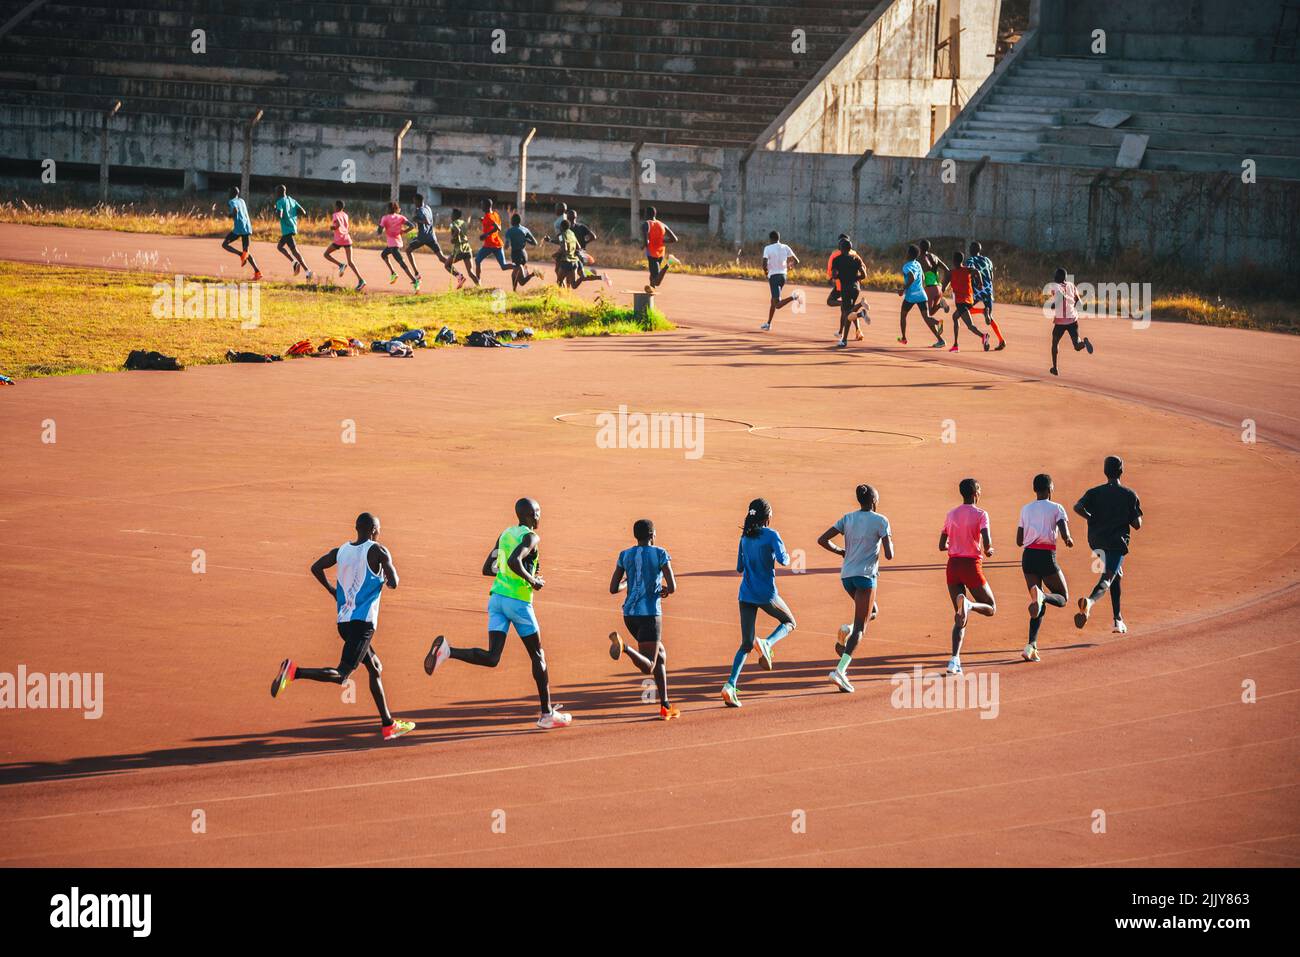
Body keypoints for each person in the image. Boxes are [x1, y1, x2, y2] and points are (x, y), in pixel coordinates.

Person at [423, 498, 572, 729]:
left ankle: (448, 651)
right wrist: (532, 580)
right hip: (518, 602)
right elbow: (514, 561)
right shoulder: (531, 537)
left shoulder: (504, 534)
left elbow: (488, 568)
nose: (540, 516)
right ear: (531, 515)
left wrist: (513, 574)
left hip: (497, 600)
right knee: (538, 655)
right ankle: (546, 714)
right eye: (538, 512)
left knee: (493, 657)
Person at [270, 513, 414, 741]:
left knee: (375, 667)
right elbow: (394, 582)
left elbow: (316, 567)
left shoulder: (341, 551)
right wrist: (386, 577)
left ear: (357, 528)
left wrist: (332, 590)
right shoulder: (378, 550)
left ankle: (388, 725)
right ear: (375, 530)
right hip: (363, 624)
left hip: (344, 623)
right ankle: (294, 672)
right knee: (341, 675)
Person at [816, 484, 894, 693]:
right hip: (866, 577)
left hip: (847, 576)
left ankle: (847, 630)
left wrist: (842, 551)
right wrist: (886, 539)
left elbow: (823, 540)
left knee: (872, 612)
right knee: (862, 626)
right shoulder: (881, 520)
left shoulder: (848, 518)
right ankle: (840, 671)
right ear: (874, 501)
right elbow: (889, 555)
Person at [721, 498, 796, 708]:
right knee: (790, 622)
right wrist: (785, 555)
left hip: (745, 594)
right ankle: (768, 643)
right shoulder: (772, 535)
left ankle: (730, 685)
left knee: (746, 643)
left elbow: (739, 567)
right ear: (768, 516)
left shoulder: (744, 537)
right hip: (767, 594)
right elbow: (784, 560)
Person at [607, 519, 680, 720]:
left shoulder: (625, 555)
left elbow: (613, 588)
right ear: (652, 535)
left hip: (629, 615)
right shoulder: (660, 553)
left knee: (660, 656)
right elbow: (672, 586)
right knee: (649, 664)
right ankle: (624, 648)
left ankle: (665, 705)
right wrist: (665, 590)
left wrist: (628, 581)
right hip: (650, 615)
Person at [1073, 456, 1143, 634]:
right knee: (1107, 578)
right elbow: (1137, 524)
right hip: (1116, 543)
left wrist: (1092, 518)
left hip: (1096, 541)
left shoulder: (1094, 492)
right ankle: (1089, 602)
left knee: (1116, 574)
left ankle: (1117, 619)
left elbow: (1077, 507)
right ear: (1122, 471)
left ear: (1105, 472)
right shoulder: (1129, 495)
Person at [939, 478, 997, 675]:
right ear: (975, 494)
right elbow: (986, 541)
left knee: (959, 616)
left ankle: (954, 661)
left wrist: (953, 544)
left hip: (952, 566)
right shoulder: (981, 514)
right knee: (990, 608)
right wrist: (989, 550)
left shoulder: (951, 514)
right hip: (971, 566)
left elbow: (942, 545)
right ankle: (971, 605)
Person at [1017, 473, 1074, 661]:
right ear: (1051, 490)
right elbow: (1064, 529)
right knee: (1063, 597)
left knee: (1037, 604)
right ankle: (1044, 596)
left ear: (1034, 490)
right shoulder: (1057, 508)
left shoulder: (1025, 509)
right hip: (1046, 556)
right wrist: (1067, 539)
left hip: (1028, 557)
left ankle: (1030, 645)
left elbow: (1019, 540)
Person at [408, 194, 464, 288]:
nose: (414, 203)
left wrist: (417, 219)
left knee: (408, 250)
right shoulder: (428, 208)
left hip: (422, 237)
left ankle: (417, 275)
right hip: (431, 237)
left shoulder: (420, 210)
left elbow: (427, 221)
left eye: (414, 201)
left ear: (417, 201)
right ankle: (459, 275)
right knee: (441, 258)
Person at [1047, 267, 1094, 375]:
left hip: (1061, 322)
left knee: (1055, 342)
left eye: (1055, 275)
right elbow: (1078, 301)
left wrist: (1054, 305)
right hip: (1073, 320)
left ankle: (1055, 368)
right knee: (1077, 346)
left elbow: (1061, 297)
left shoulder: (1055, 287)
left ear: (1058, 277)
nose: (1054, 276)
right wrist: (1071, 308)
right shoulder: (1071, 285)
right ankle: (1084, 344)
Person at [943, 246, 988, 352]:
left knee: (970, 326)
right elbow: (977, 271)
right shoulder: (967, 270)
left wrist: (943, 288)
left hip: (961, 302)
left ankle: (983, 336)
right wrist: (980, 283)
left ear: (953, 261)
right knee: (955, 317)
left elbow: (944, 284)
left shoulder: (951, 272)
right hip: (969, 300)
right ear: (961, 260)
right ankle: (955, 344)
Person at [899, 244, 944, 348]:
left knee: (903, 316)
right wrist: (919, 287)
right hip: (921, 295)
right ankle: (939, 331)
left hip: (911, 296)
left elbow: (912, 277)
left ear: (909, 254)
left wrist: (903, 289)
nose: (905, 253)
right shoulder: (918, 264)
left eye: (907, 252)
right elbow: (923, 277)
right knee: (927, 317)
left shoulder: (906, 266)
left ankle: (904, 338)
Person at [830, 237, 870, 348]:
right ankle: (860, 310)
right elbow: (864, 275)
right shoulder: (856, 259)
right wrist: (854, 278)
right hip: (856, 288)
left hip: (845, 289)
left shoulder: (837, 259)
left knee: (848, 314)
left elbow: (833, 275)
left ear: (841, 248)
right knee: (848, 311)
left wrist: (838, 276)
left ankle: (844, 340)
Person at [966, 241, 1005, 349]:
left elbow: (969, 273)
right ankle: (1001, 340)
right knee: (990, 317)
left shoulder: (970, 260)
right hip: (988, 289)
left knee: (965, 310)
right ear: (979, 250)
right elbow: (991, 276)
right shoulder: (988, 260)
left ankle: (982, 311)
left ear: (971, 250)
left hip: (977, 289)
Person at [760, 230, 801, 330]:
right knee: (773, 301)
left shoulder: (768, 248)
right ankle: (768, 323)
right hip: (783, 276)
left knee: (777, 304)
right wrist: (790, 266)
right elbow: (796, 261)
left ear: (770, 239)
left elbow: (764, 264)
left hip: (773, 277)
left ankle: (793, 297)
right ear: (778, 238)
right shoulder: (785, 247)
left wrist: (766, 273)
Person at [220, 186, 262, 280]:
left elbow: (235, 210)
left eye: (229, 192)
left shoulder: (231, 201)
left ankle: (240, 254)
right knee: (246, 252)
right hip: (247, 227)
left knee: (225, 245)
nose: (228, 194)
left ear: (231, 194)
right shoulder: (242, 200)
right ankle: (257, 272)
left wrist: (231, 215)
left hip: (239, 228)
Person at [322, 200, 364, 292]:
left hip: (339, 240)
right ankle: (361, 280)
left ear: (336, 206)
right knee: (350, 261)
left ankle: (340, 265)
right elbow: (345, 226)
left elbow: (337, 225)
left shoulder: (335, 214)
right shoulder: (345, 215)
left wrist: (332, 227)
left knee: (326, 254)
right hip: (347, 238)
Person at [377, 201, 419, 290]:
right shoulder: (401, 217)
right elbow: (412, 226)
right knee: (383, 255)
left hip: (393, 246)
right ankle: (393, 273)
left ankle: (415, 281)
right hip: (396, 243)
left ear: (388, 209)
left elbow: (380, 229)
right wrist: (404, 231)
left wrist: (379, 233)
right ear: (396, 209)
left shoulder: (385, 218)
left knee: (402, 263)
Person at [273, 185, 313, 280]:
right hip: (293, 227)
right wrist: (291, 214)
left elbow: (280, 215)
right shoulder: (291, 200)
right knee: (279, 247)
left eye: (276, 192)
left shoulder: (279, 202)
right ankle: (294, 262)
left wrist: (275, 210)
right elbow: (303, 212)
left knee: (295, 251)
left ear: (279, 192)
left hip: (287, 230)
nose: (275, 194)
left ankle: (308, 271)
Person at [564, 208, 611, 287]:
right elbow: (594, 236)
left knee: (575, 274)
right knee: (577, 274)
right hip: (582, 253)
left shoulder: (568, 229)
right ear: (576, 217)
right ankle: (600, 277)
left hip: (573, 254)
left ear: (567, 218)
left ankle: (600, 277)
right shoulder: (581, 227)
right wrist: (585, 242)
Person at [641, 206, 679, 294]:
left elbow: (646, 241)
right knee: (652, 276)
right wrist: (661, 240)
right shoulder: (662, 224)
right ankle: (651, 290)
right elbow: (674, 239)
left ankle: (669, 262)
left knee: (656, 281)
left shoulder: (646, 224)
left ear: (646, 214)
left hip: (652, 253)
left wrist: (643, 246)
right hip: (661, 252)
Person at [473, 197, 510, 284]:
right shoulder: (495, 214)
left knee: (477, 260)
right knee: (504, 266)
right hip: (497, 244)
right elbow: (492, 224)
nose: (481, 207)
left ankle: (478, 282)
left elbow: (498, 227)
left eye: (482, 205)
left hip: (489, 245)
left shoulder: (489, 217)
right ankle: (518, 267)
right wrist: (483, 220)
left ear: (486, 206)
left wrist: (486, 234)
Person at [504, 213, 543, 291]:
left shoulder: (509, 231)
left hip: (516, 255)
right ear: (519, 221)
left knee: (521, 281)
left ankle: (533, 273)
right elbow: (535, 242)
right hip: (524, 254)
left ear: (512, 221)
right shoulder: (525, 229)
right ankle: (514, 292)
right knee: (514, 275)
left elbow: (507, 245)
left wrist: (505, 247)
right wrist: (525, 239)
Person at [919, 239, 951, 321]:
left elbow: (926, 267)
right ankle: (940, 305)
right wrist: (944, 286)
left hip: (930, 288)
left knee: (927, 315)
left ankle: (938, 323)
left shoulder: (921, 258)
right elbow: (947, 271)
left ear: (920, 247)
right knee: (931, 312)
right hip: (939, 287)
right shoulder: (934, 257)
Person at [448, 209, 477, 285]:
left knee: (447, 265)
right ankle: (479, 287)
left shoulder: (453, 223)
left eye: (451, 214)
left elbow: (457, 230)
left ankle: (460, 277)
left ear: (454, 216)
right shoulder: (463, 223)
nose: (450, 216)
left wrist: (453, 239)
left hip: (459, 250)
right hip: (467, 249)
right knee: (470, 272)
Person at [554, 221, 582, 288]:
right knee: (574, 285)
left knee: (559, 282)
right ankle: (582, 277)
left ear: (561, 227)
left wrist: (556, 254)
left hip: (566, 262)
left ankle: (561, 297)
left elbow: (564, 248)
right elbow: (579, 247)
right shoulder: (572, 233)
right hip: (574, 262)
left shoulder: (561, 235)